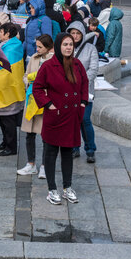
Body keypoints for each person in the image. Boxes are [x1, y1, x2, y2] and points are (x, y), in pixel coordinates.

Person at [32, 32, 88, 205]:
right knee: (50, 154)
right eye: (65, 44)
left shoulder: (77, 64)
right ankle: (51, 189)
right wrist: (49, 105)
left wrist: (83, 103)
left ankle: (67, 187)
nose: (68, 47)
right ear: (58, 46)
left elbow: (84, 83)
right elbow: (37, 88)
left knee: (67, 153)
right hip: (55, 117)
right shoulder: (48, 66)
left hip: (71, 116)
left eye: (70, 44)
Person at [18, 34, 54, 178]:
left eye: (40, 47)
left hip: (45, 100)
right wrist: (29, 80)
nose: (37, 49)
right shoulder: (33, 58)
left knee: (45, 135)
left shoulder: (53, 61)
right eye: (37, 46)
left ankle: (45, 166)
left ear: (48, 47)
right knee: (30, 133)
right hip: (31, 99)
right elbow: (26, 75)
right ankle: (30, 164)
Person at [0, 22, 26, 157]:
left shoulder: (13, 47)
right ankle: (5, 142)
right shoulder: (7, 45)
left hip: (8, 89)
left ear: (8, 33)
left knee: (8, 120)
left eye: (1, 31)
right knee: (2, 119)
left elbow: (6, 68)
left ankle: (11, 146)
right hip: (2, 87)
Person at [66, 22, 98, 162]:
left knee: (85, 120)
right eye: (72, 33)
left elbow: (94, 68)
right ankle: (74, 148)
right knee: (72, 121)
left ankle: (90, 149)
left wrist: (82, 82)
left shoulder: (90, 48)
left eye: (78, 33)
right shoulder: (66, 48)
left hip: (85, 91)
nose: (75, 36)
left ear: (82, 34)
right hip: (68, 91)